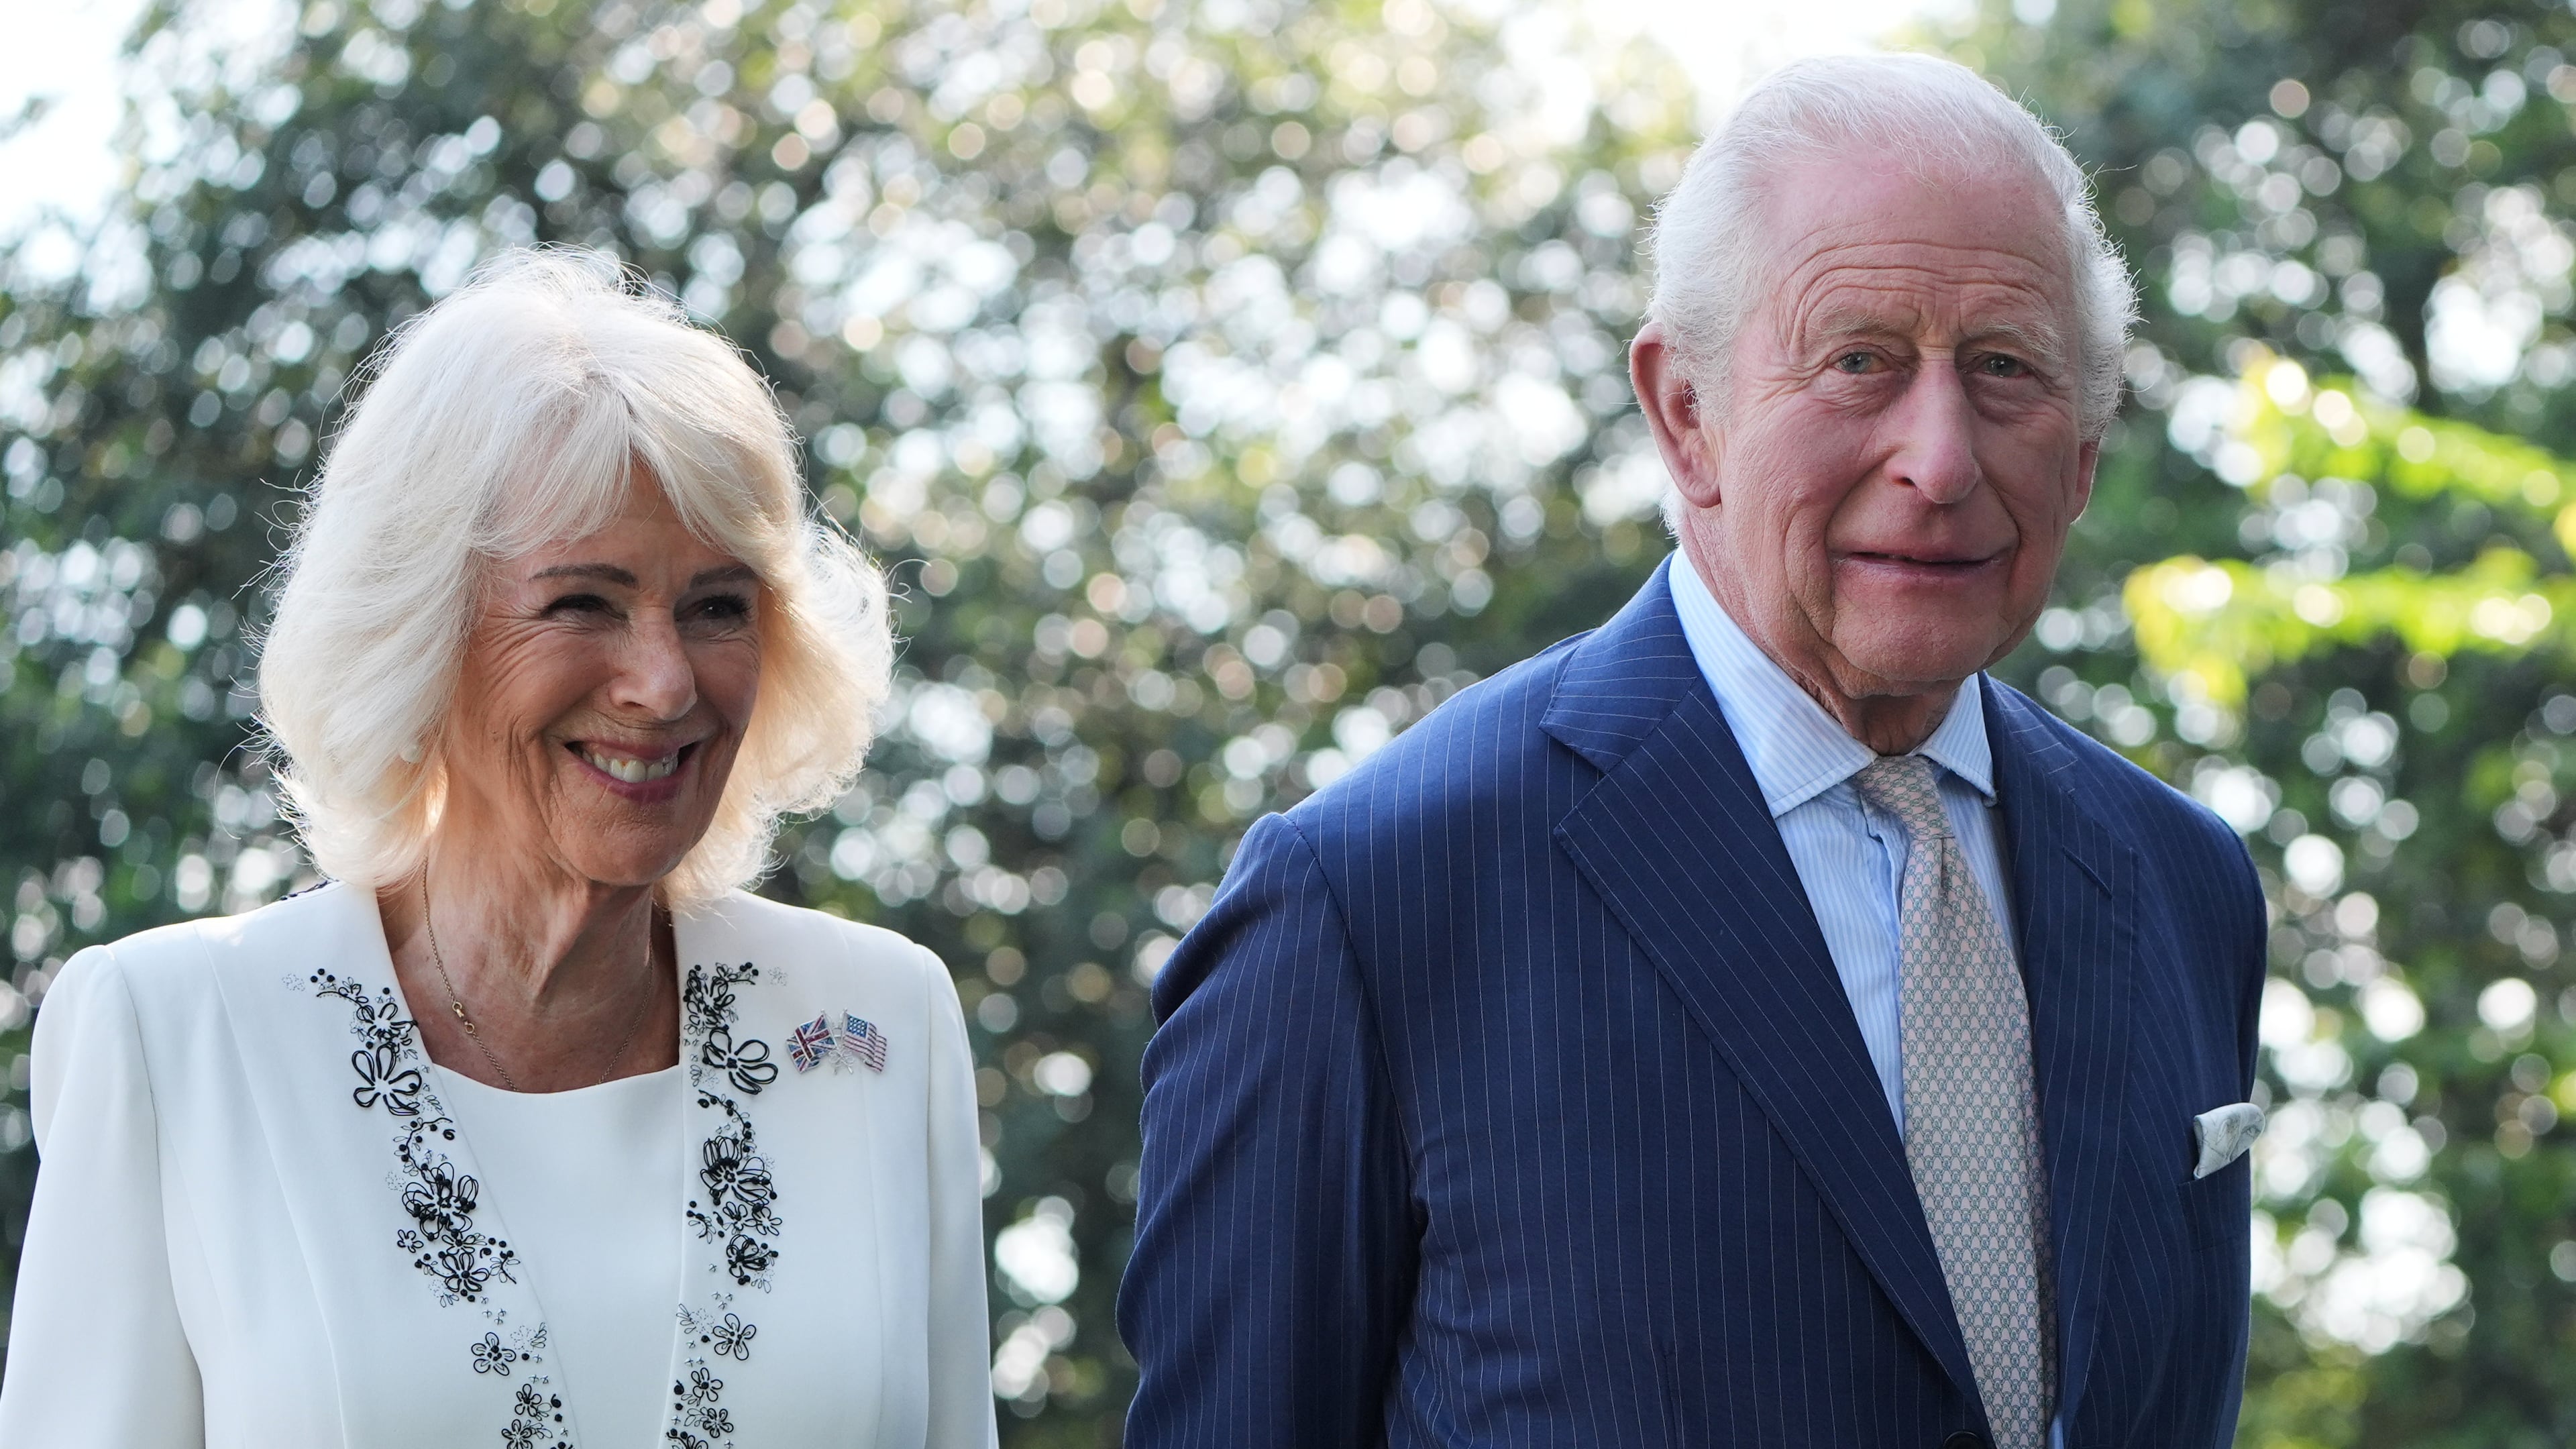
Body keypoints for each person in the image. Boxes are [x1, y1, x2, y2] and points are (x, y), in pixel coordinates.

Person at [1120, 53, 2265, 1449]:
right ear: (1685, 413)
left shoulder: (2183, 882)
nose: (1942, 459)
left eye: (2006, 370)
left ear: (2083, 451)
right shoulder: (1366, 902)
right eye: (1860, 361)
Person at [0, 252, 997, 1449]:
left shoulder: (877, 1025)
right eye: (583, 604)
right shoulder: (172, 1034)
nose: (664, 682)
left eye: (717, 607)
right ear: (420, 629)